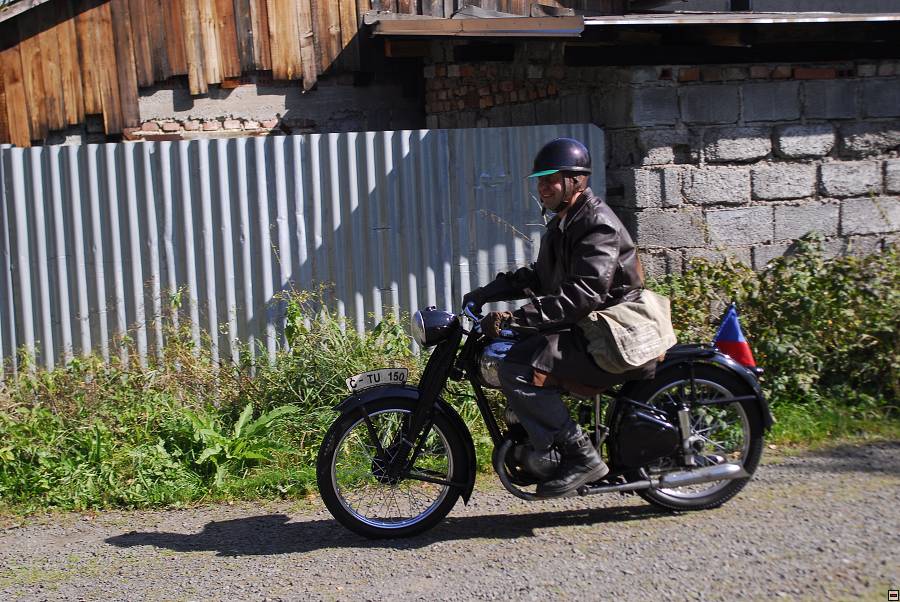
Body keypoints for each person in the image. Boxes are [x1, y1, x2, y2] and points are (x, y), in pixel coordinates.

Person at [462, 137, 656, 497]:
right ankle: (541, 441)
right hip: (588, 327)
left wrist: (515, 318)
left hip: (614, 333)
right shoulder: (565, 223)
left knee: (519, 367)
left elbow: (584, 294)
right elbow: (541, 277)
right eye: (540, 180)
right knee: (514, 352)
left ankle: (580, 455)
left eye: (551, 179)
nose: (543, 187)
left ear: (576, 181)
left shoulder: (597, 224)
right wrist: (487, 293)